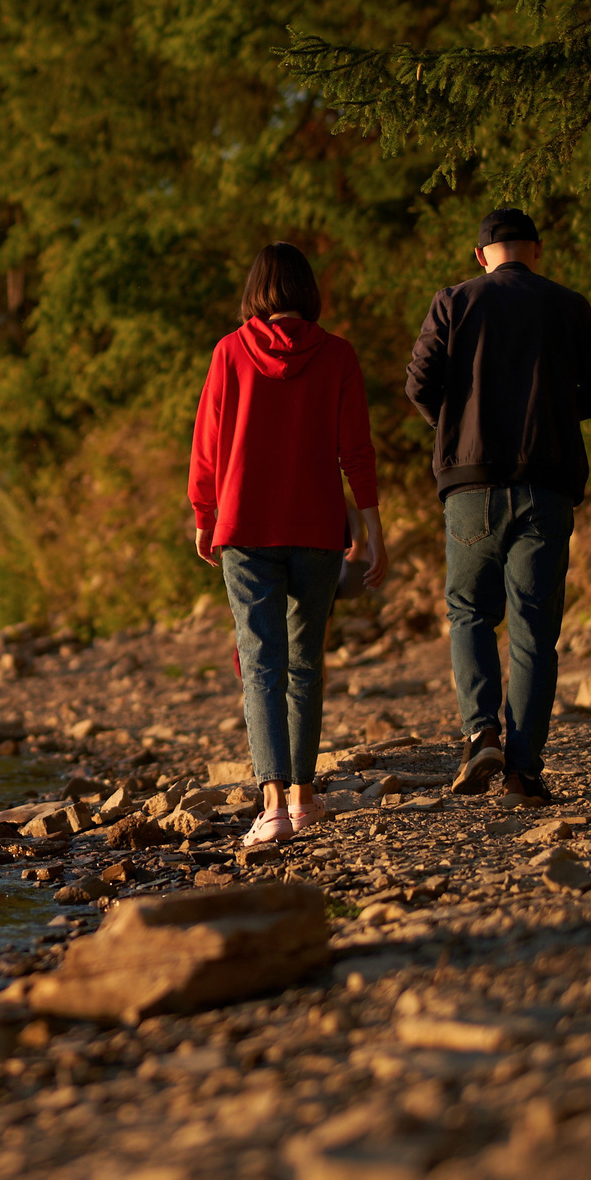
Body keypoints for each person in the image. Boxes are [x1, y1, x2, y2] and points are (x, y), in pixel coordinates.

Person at [404, 208, 591, 808]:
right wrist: (549, 411)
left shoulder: (452, 302)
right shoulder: (568, 304)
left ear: (481, 256)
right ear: (536, 250)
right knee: (534, 629)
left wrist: (454, 427)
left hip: (469, 486)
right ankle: (524, 773)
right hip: (545, 482)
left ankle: (481, 734)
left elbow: (418, 384)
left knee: (470, 611)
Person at [189, 243, 387, 846]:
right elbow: (356, 449)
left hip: (247, 530)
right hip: (318, 530)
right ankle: (303, 798)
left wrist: (205, 514)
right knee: (306, 664)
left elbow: (208, 443)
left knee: (261, 664)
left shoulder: (230, 352)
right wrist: (373, 528)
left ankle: (271, 805)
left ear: (256, 291)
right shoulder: (338, 356)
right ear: (307, 291)